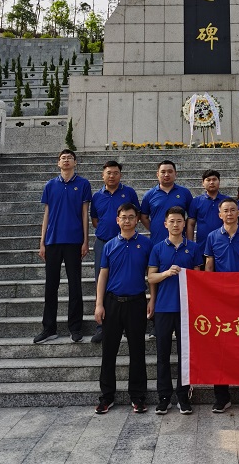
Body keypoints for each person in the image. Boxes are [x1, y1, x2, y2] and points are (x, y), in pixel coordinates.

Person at [94, 202, 155, 415]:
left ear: (137, 220)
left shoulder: (146, 244)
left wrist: (152, 299)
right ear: (117, 220)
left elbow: (151, 275)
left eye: (131, 217)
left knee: (137, 351)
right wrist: (99, 304)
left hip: (136, 302)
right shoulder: (110, 245)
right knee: (108, 351)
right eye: (123, 217)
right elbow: (103, 275)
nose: (127, 220)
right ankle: (106, 397)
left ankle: (137, 396)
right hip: (112, 303)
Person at [204, 197, 239, 413]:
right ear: (219, 215)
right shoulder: (212, 237)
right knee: (220, 347)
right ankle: (221, 397)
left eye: (232, 210)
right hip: (221, 299)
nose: (229, 213)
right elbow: (209, 267)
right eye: (225, 210)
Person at [148, 206, 202, 415]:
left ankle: (183, 395)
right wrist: (166, 273)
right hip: (164, 307)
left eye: (179, 221)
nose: (176, 225)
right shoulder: (158, 248)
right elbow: (151, 277)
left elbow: (199, 277)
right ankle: (164, 397)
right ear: (165, 224)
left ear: (184, 223)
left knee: (185, 355)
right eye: (172, 221)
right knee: (162, 354)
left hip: (186, 309)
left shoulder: (193, 248)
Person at [33, 149, 91, 344]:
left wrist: (86, 240)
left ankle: (75, 328)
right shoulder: (50, 185)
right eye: (63, 158)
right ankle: (49, 328)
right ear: (58, 163)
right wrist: (42, 242)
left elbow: (85, 214)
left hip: (74, 241)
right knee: (51, 286)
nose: (66, 161)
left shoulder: (83, 184)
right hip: (53, 241)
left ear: (75, 162)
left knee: (75, 286)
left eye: (69, 158)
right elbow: (47, 215)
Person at [90, 160, 140, 343]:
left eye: (115, 173)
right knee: (101, 280)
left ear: (120, 175)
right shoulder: (97, 196)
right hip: (104, 243)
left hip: (126, 243)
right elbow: (95, 220)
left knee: (128, 279)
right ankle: (101, 326)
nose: (112, 176)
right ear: (103, 175)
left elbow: (136, 215)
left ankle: (127, 324)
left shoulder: (129, 193)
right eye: (108, 173)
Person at [140, 160, 193, 245]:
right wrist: (154, 228)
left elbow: (191, 217)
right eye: (163, 172)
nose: (166, 175)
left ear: (175, 174)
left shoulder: (185, 193)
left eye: (170, 171)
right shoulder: (149, 195)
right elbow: (143, 217)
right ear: (157, 174)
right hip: (157, 241)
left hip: (180, 242)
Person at [186, 169, 229, 258]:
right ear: (203, 183)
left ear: (219, 182)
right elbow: (190, 224)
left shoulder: (227, 201)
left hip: (224, 246)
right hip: (202, 246)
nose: (211, 182)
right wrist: (190, 243)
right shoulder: (196, 201)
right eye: (208, 180)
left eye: (214, 179)